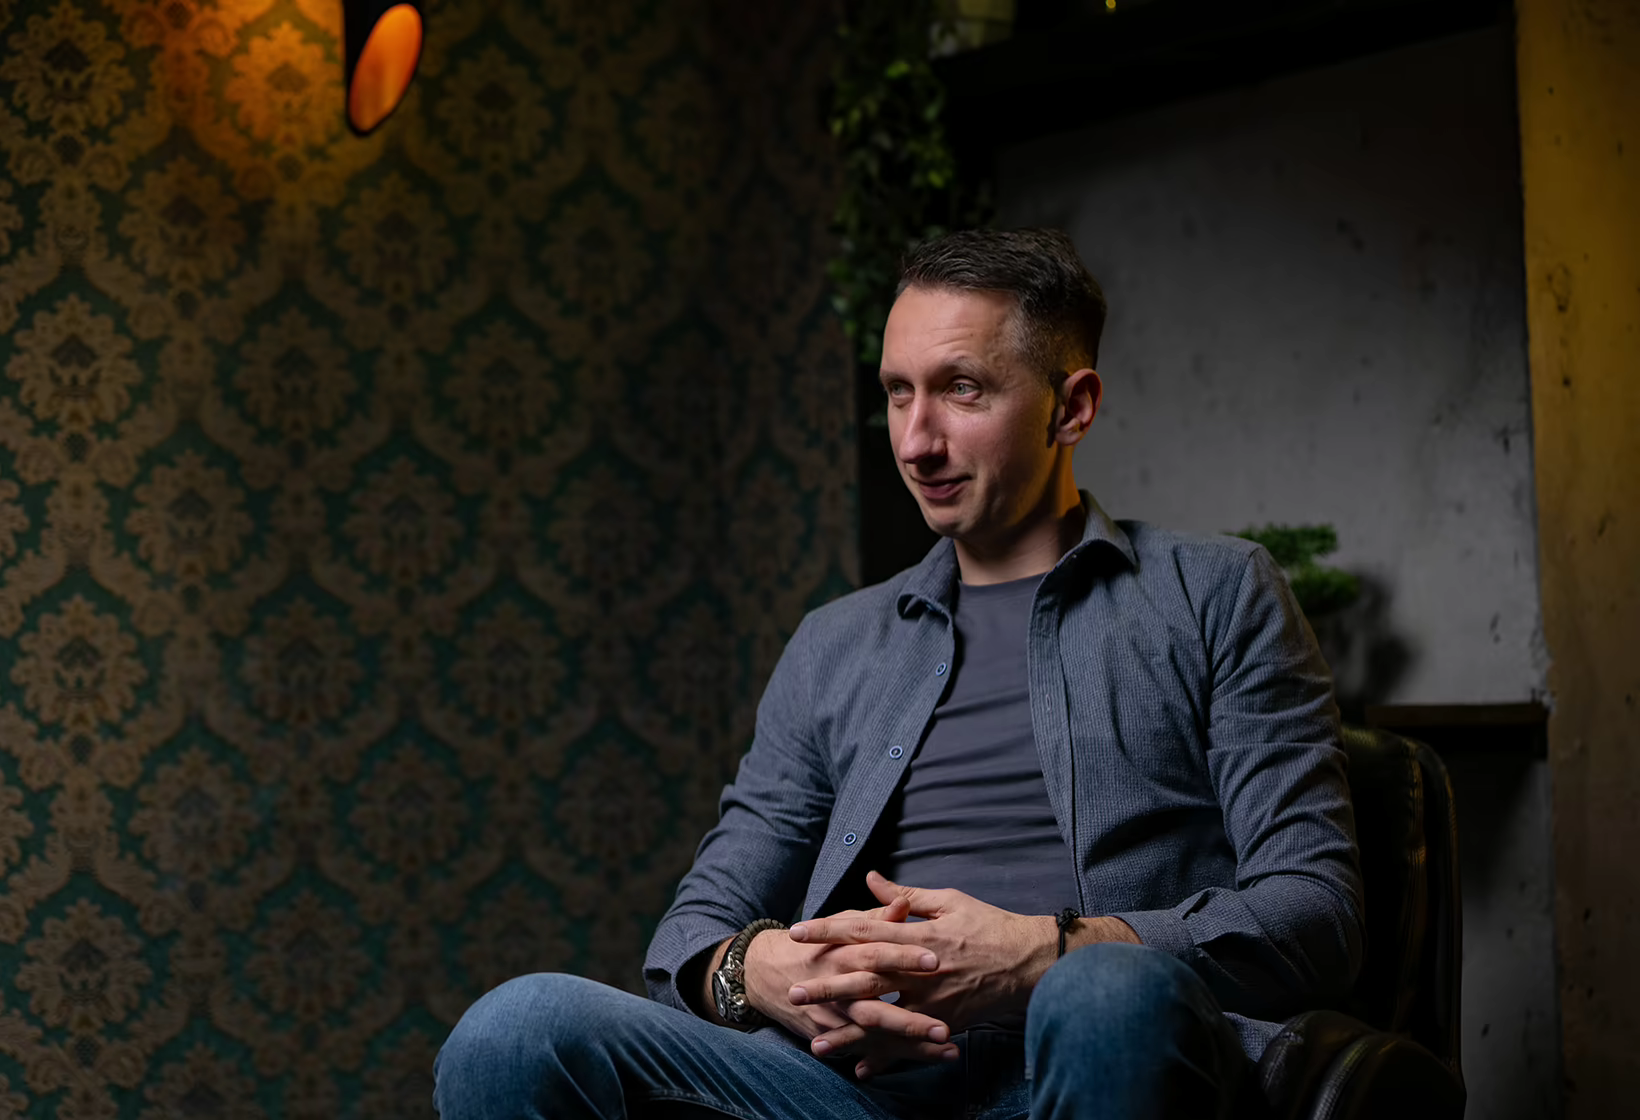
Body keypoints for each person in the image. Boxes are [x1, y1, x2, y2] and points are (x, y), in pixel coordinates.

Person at [433, 228, 1363, 1120]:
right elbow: (694, 930)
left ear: (1072, 408)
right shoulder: (835, 644)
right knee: (517, 1028)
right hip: (847, 1090)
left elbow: (1315, 912)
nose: (916, 442)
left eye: (961, 390)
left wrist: (1038, 956)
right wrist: (765, 970)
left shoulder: (1216, 594)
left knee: (1105, 993)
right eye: (896, 393)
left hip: (1094, 1051)